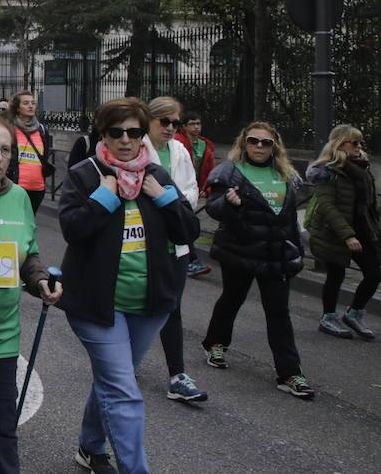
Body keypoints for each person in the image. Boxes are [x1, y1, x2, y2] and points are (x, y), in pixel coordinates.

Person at [58, 97, 198, 474]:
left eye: (134, 132)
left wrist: (164, 197)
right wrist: (104, 195)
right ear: (103, 134)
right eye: (116, 132)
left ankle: (90, 446)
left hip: (149, 305)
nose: (125, 140)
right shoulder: (87, 174)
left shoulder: (155, 176)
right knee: (122, 389)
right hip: (96, 305)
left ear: (143, 135)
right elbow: (72, 228)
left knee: (112, 380)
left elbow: (189, 232)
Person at [0, 114, 62, 474]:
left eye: (6, 149)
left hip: (1, 339)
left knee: (0, 429)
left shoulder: (20, 197)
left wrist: (39, 282)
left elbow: (29, 253)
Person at [201, 122, 314, 399]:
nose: (259, 147)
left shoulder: (285, 174)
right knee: (232, 299)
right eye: (253, 141)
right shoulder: (229, 171)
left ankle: (290, 373)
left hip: (276, 255)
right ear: (244, 143)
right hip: (240, 251)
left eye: (266, 142)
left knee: (279, 314)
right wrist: (229, 203)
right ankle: (216, 343)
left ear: (275, 146)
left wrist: (296, 252)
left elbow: (288, 219)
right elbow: (213, 207)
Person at [144, 96, 208, 404]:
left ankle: (177, 375)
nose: (171, 128)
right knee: (136, 305)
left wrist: (170, 203)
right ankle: (119, 363)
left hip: (176, 242)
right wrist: (170, 202)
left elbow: (190, 191)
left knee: (172, 307)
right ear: (149, 121)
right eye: (164, 122)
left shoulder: (180, 150)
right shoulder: (137, 149)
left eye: (175, 123)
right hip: (141, 244)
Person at [304, 125, 380, 340]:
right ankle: (328, 317)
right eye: (353, 142)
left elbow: (369, 204)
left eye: (360, 142)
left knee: (374, 273)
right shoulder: (327, 171)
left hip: (362, 230)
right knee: (336, 274)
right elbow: (328, 206)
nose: (359, 147)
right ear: (339, 144)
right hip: (334, 232)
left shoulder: (362, 169)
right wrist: (347, 235)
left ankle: (354, 313)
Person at [176, 111, 215, 277]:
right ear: (184, 127)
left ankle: (187, 260)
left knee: (185, 223)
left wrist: (207, 188)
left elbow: (209, 170)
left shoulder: (205, 145)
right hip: (179, 189)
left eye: (198, 124)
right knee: (185, 224)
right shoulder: (177, 143)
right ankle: (191, 261)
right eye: (192, 124)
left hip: (194, 190)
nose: (196, 127)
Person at [7, 90, 54, 215]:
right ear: (17, 108)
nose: (31, 106)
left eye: (33, 103)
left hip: (38, 188)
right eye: (26, 103)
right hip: (16, 186)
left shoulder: (42, 130)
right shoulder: (10, 129)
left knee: (30, 224)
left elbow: (46, 154)